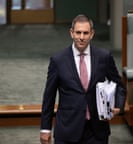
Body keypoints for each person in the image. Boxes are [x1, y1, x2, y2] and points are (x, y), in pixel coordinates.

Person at [40, 14, 126, 144]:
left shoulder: (104, 57)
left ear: (92, 34)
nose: (81, 37)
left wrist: (118, 106)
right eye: (78, 32)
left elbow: (119, 85)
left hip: (97, 131)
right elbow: (49, 96)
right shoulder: (58, 60)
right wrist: (45, 128)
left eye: (85, 33)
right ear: (71, 33)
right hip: (68, 129)